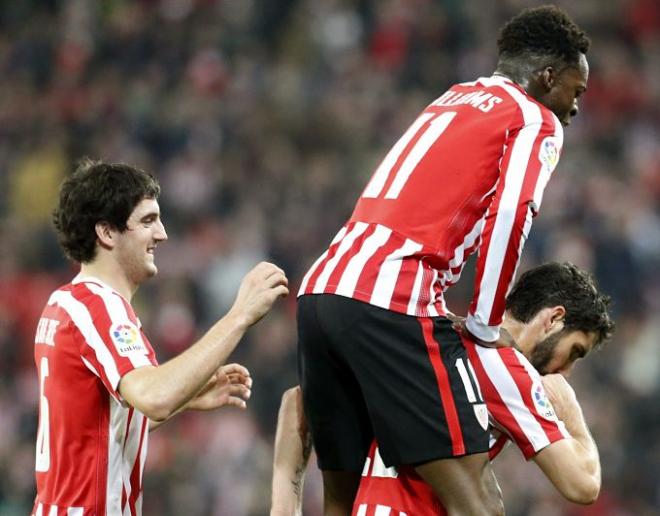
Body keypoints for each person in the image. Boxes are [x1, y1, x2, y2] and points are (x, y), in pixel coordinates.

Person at [296, 5, 591, 514]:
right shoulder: (534, 119)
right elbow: (511, 217)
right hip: (391, 299)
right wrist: (482, 322)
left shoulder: (454, 97)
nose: (575, 107)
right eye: (575, 91)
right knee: (477, 500)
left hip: (323, 288)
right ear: (548, 77)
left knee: (339, 504)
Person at [32, 159, 289, 515]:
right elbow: (154, 396)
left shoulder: (63, 302)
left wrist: (188, 396)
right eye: (148, 221)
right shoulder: (98, 307)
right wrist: (240, 315)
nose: (162, 234)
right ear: (107, 233)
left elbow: (99, 428)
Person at [273, 262, 614, 515]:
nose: (566, 372)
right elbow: (582, 484)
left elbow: (297, 402)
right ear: (553, 319)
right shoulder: (506, 367)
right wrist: (570, 411)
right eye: (574, 352)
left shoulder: (427, 338)